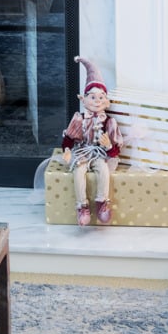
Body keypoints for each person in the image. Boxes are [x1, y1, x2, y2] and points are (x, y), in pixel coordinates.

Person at [62, 56, 123, 226]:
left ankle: (102, 202)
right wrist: (67, 151)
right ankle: (82, 205)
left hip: (98, 154)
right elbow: (68, 139)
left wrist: (108, 146)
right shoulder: (79, 118)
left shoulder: (109, 122)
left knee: (103, 170)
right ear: (83, 99)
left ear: (107, 102)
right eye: (92, 97)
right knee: (79, 171)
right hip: (82, 151)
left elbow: (114, 151)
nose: (97, 101)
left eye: (101, 97)